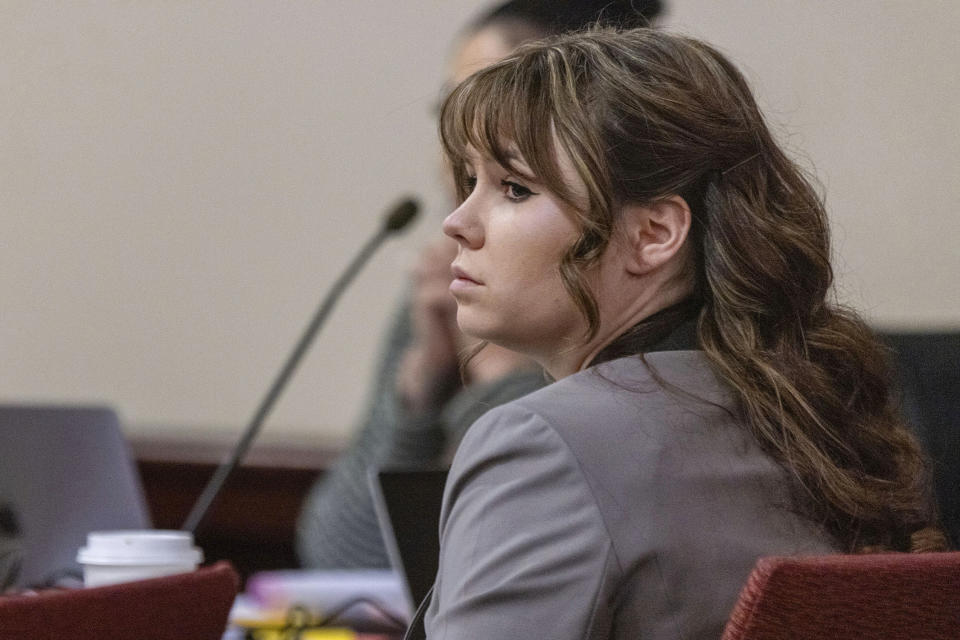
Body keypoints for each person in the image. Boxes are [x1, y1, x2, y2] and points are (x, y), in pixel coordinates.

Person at [417, 27, 947, 639]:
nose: (458, 222)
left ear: (653, 234)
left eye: (515, 188)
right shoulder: (819, 416)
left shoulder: (543, 446)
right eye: (468, 182)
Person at [295, 0, 663, 570]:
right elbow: (340, 560)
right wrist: (423, 385)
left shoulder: (662, 329)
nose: (457, 149)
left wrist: (499, 383)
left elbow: (493, 573)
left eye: (513, 180)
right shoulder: (458, 282)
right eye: (450, 108)